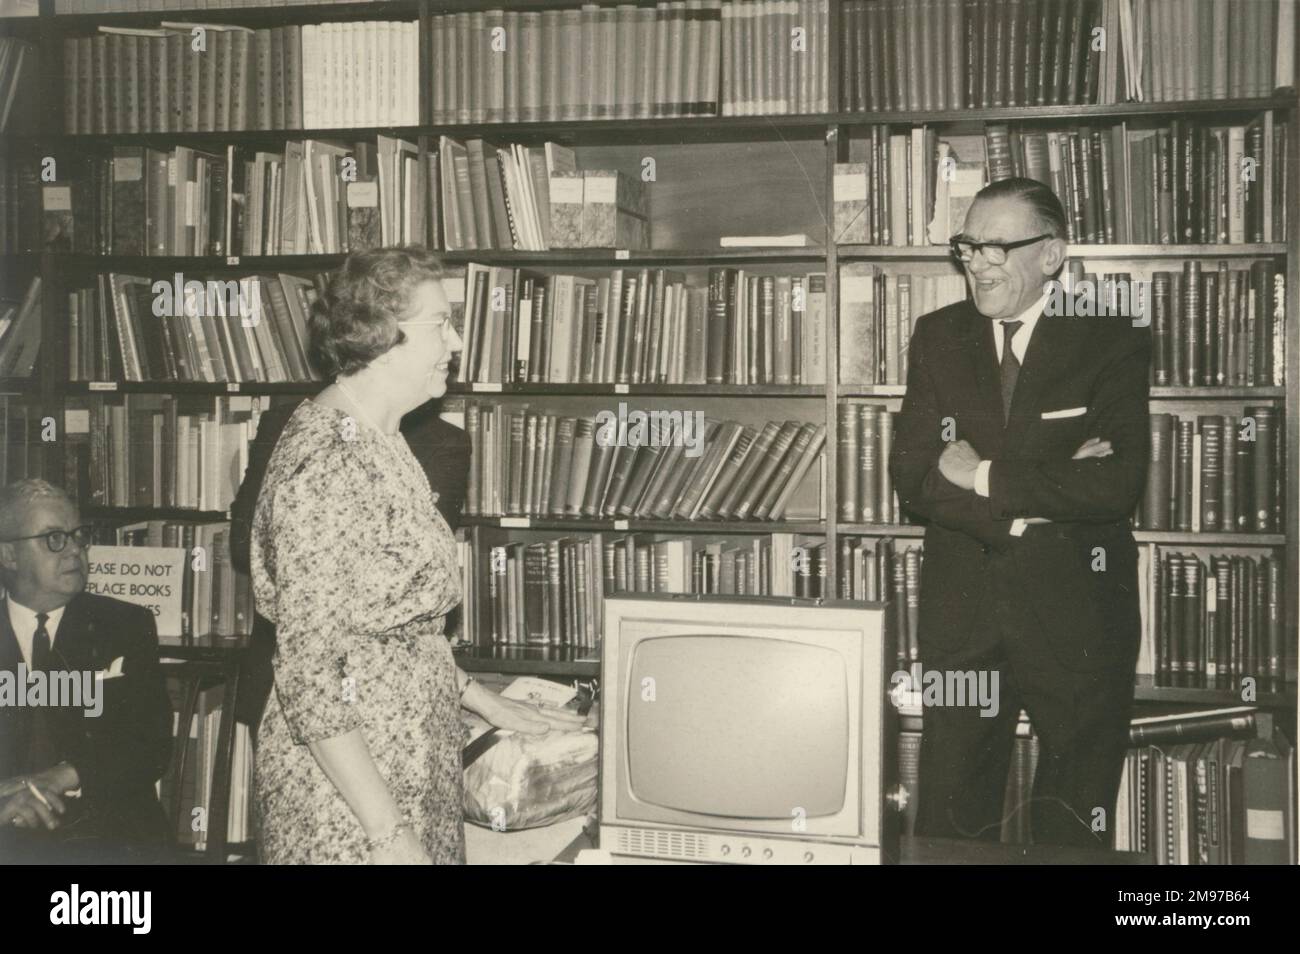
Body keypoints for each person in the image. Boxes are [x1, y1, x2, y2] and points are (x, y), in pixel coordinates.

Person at [250, 246, 583, 865]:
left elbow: (389, 629)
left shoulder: (381, 435)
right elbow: (310, 674)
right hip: (349, 797)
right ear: (379, 335)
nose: (455, 343)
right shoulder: (325, 463)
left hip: (409, 757)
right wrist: (387, 835)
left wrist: (481, 697)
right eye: (442, 324)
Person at [889, 178, 1150, 848]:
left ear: (1052, 255)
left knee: (1071, 822)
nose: (976, 262)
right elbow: (914, 476)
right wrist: (1022, 507)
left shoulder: (1110, 340)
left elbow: (1115, 484)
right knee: (951, 817)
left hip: (1080, 618)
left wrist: (980, 474)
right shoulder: (937, 336)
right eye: (969, 245)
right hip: (963, 610)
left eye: (997, 246)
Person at [229, 368, 471, 735]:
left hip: (403, 705)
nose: (453, 344)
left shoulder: (442, 441)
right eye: (439, 325)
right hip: (301, 692)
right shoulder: (295, 427)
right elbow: (242, 545)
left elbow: (419, 586)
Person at [0, 479, 173, 861]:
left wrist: (61, 776)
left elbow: (151, 745)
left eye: (79, 536)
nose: (75, 550)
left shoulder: (125, 625)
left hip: (107, 829)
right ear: (9, 555)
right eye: (53, 539)